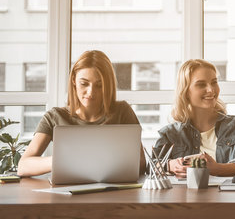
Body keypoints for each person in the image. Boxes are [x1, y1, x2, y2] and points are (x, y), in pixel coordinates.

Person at [17, 50, 145, 176]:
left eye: (99, 85)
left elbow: (141, 164)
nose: (90, 92)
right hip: (66, 193)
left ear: (108, 85)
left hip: (113, 192)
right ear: (73, 80)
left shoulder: (122, 111)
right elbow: (23, 166)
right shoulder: (55, 117)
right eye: (84, 83)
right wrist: (60, 160)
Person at [154, 59, 235, 177]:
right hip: (185, 195)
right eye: (201, 84)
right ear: (185, 92)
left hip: (229, 195)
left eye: (214, 82)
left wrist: (218, 169)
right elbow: (150, 165)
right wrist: (170, 165)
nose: (211, 90)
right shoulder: (170, 134)